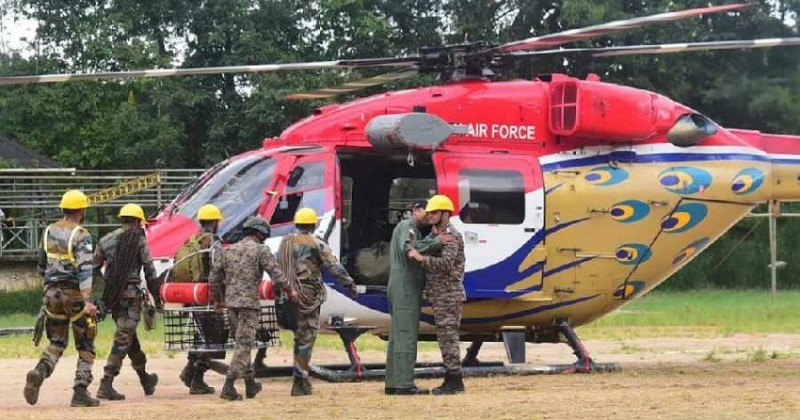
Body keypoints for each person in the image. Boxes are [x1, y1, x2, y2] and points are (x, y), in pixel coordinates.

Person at [24, 189, 100, 407]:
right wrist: (87, 301)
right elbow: (85, 269)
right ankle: (80, 391)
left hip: (51, 294)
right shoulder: (82, 234)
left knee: (56, 342)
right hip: (73, 295)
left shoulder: (48, 231)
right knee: (86, 342)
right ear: (81, 210)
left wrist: (49, 284)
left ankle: (40, 371)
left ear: (64, 209)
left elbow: (41, 265)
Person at [277, 207, 359, 396]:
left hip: (287, 294)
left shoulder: (285, 242)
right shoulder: (316, 243)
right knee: (306, 337)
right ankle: (300, 381)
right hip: (307, 295)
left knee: (299, 336)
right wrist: (350, 285)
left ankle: (301, 376)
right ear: (313, 225)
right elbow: (335, 267)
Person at [210, 215, 290, 401]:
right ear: (260, 234)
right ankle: (228, 386)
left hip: (231, 305)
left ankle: (250, 384)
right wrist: (288, 290)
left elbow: (214, 278)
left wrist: (217, 299)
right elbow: (277, 276)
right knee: (244, 346)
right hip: (248, 306)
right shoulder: (261, 250)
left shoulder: (228, 250)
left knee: (241, 345)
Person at [92, 203, 161, 400]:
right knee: (123, 338)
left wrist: (100, 296)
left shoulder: (105, 240)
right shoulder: (139, 240)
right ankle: (106, 382)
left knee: (129, 337)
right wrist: (157, 297)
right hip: (130, 298)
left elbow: (92, 269)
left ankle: (145, 379)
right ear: (139, 221)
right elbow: (150, 270)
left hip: (113, 298)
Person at [384, 199, 447, 395]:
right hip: (406, 286)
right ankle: (404, 384)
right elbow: (410, 250)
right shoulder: (408, 226)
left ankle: (394, 382)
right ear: (416, 210)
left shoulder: (413, 229)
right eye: (426, 212)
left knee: (397, 336)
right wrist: (437, 242)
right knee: (406, 335)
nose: (429, 216)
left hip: (402, 284)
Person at [408, 194, 467, 395]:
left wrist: (421, 258)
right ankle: (451, 378)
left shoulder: (452, 236)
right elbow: (421, 246)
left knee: (448, 337)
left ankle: (455, 380)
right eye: (430, 212)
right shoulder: (434, 234)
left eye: (434, 212)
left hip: (449, 294)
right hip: (439, 294)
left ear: (444, 214)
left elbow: (446, 264)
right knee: (444, 337)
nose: (430, 215)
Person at [176, 204, 226, 395]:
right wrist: (219, 298)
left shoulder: (192, 240)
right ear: (214, 222)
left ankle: (189, 372)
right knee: (213, 338)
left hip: (193, 294)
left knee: (201, 336)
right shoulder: (214, 242)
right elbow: (218, 271)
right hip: (208, 296)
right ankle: (196, 380)